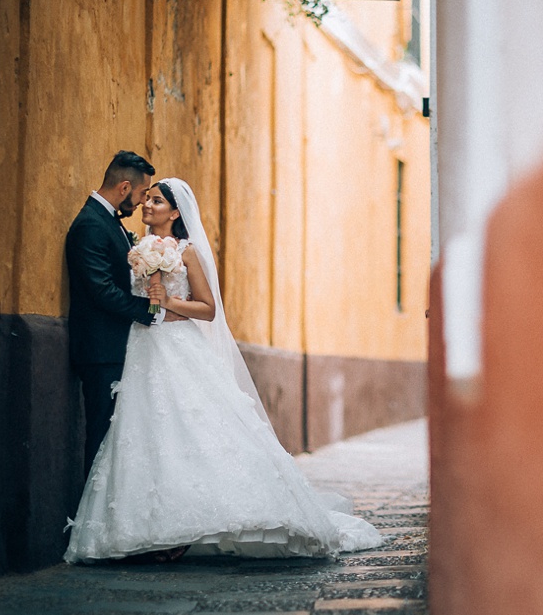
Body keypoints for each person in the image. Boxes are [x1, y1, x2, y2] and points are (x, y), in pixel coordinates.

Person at [64, 177, 383, 563]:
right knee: (143, 430)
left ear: (175, 212)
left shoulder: (187, 252)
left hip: (178, 345)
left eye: (156, 201)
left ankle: (194, 523)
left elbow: (208, 308)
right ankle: (151, 526)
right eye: (146, 199)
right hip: (142, 347)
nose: (147, 205)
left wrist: (168, 304)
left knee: (193, 426)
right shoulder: (136, 247)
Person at [65, 151, 166, 479]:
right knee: (101, 439)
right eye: (140, 194)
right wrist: (150, 311)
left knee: (116, 438)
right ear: (124, 188)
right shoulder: (90, 225)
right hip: (101, 353)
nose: (141, 203)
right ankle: (92, 521)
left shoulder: (109, 222)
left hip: (117, 348)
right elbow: (102, 291)